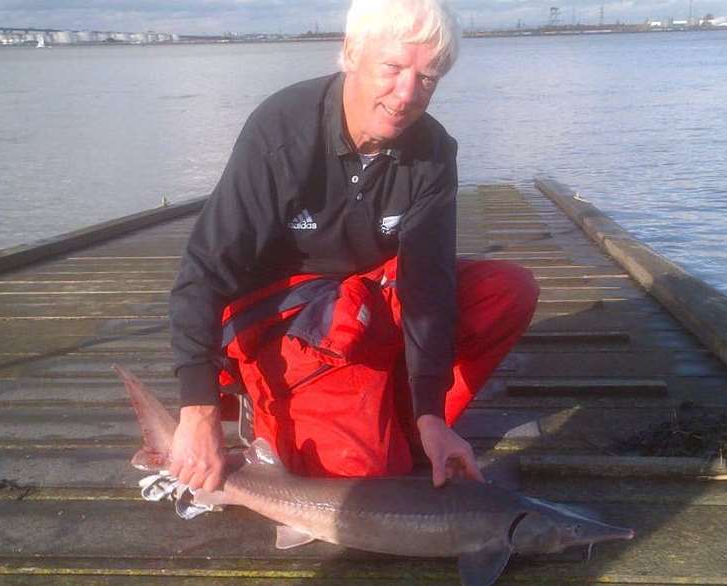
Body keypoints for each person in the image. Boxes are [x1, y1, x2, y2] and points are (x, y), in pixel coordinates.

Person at [167, 0, 538, 493]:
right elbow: (204, 270)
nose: (407, 93)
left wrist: (432, 413)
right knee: (363, 479)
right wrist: (197, 409)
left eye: (427, 77)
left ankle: (413, 427)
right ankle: (271, 409)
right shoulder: (280, 129)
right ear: (350, 53)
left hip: (366, 299)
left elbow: (428, 285)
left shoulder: (433, 151)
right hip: (291, 321)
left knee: (508, 290)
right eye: (393, 67)